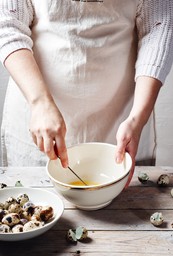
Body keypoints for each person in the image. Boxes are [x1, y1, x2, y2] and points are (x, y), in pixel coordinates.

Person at [0, 0, 173, 184]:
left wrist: (137, 118)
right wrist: (39, 102)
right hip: (36, 110)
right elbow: (9, 23)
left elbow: (158, 28)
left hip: (124, 118)